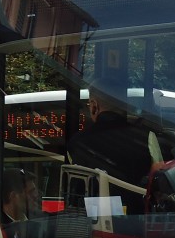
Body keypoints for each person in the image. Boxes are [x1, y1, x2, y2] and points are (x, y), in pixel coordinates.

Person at [66, 80, 162, 212]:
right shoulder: (147, 137)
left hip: (94, 217)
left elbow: (75, 187)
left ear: (94, 106)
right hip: (137, 217)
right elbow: (159, 177)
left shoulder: (77, 142)